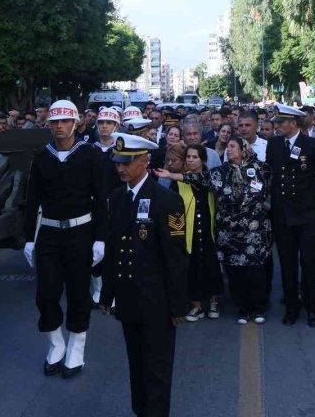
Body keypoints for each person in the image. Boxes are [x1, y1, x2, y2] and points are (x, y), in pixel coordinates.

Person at [99, 133, 189, 417]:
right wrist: (107, 293)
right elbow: (114, 250)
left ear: (145, 161)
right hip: (128, 298)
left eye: (127, 163)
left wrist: (177, 306)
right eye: (118, 163)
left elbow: (176, 259)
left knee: (157, 371)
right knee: (136, 367)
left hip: (157, 301)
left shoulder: (166, 201)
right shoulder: (117, 197)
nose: (121, 169)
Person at [22, 100, 108, 378]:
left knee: (78, 293)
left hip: (81, 233)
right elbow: (32, 199)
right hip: (48, 232)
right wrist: (29, 239)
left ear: (75, 123)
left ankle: (76, 349)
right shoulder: (42, 157)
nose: (59, 126)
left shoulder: (90, 155)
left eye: (64, 121)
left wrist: (100, 239)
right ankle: (55, 344)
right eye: (54, 122)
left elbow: (101, 199)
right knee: (46, 294)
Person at [156, 136, 272, 325]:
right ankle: (243, 309)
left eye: (233, 147)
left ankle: (259, 307)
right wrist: (170, 175)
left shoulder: (261, 169)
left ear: (244, 150)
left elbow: (270, 192)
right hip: (230, 232)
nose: (229, 150)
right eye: (228, 147)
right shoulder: (221, 172)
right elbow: (196, 177)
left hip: (255, 231)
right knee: (235, 272)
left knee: (255, 271)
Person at [266, 104, 315, 328]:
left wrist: (309, 188)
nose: (276, 126)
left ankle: (311, 306)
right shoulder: (274, 144)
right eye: (276, 122)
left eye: (280, 122)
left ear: (293, 123)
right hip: (283, 214)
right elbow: (272, 173)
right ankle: (291, 306)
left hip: (307, 214)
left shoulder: (313, 145)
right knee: (287, 264)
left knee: (310, 263)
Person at [172, 143, 223, 321]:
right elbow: (174, 211)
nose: (191, 160)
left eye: (195, 157)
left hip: (209, 231)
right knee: (193, 267)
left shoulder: (210, 178)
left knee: (211, 266)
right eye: (189, 157)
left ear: (202, 160)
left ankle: (214, 300)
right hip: (189, 232)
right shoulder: (178, 182)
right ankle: (196, 305)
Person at [91, 107, 123, 306]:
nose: (105, 126)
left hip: (117, 207)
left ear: (116, 126)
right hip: (93, 208)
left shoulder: (122, 151)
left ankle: (115, 291)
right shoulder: (88, 149)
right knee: (93, 248)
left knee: (115, 249)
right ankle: (98, 290)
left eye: (109, 123)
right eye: (101, 123)